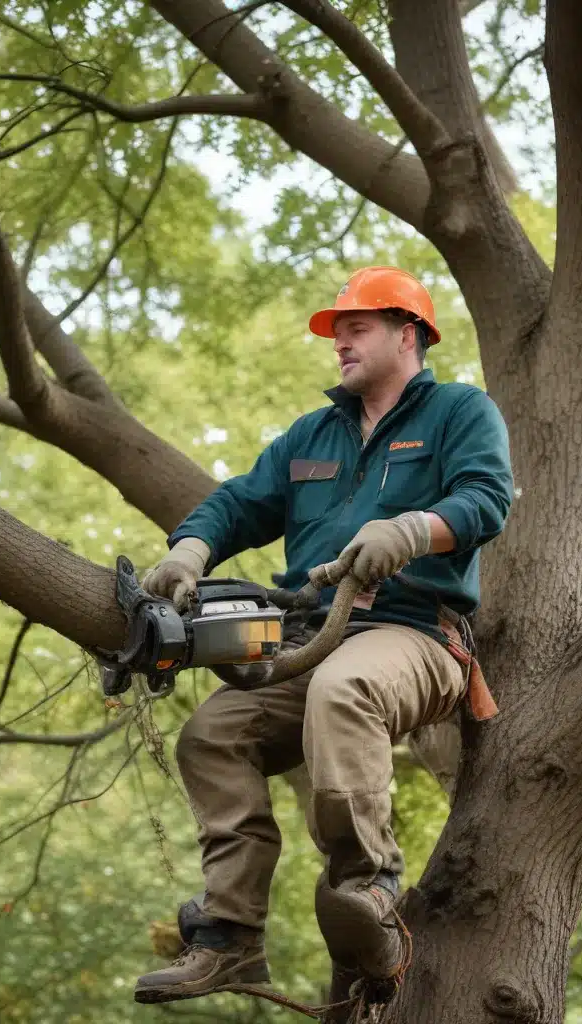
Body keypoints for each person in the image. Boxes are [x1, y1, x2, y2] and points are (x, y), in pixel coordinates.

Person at [134, 266, 514, 1005]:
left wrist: (410, 530)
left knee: (347, 690)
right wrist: (190, 549)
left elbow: (485, 499)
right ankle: (230, 938)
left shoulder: (460, 412)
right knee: (213, 734)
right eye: (336, 331)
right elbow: (241, 502)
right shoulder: (314, 435)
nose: (340, 342)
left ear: (410, 335)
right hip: (310, 639)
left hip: (413, 634)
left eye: (357, 327)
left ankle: (366, 892)